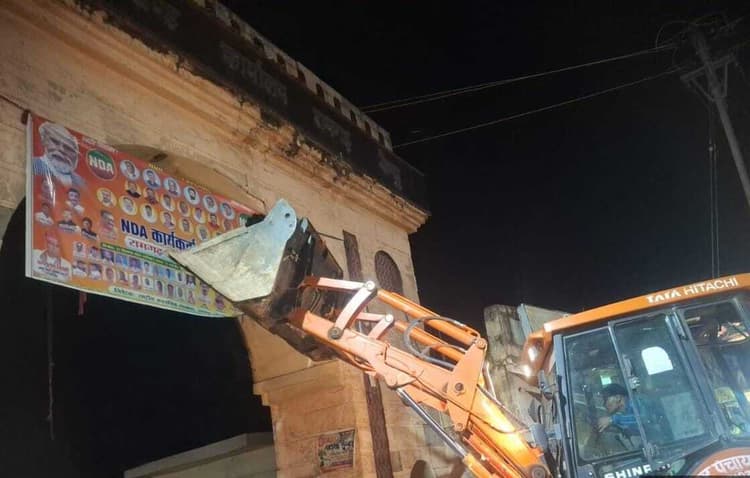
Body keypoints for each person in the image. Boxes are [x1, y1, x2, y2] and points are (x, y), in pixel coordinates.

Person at [32, 122, 84, 188]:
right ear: (44, 141)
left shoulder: (80, 181)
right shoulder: (33, 165)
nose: (61, 149)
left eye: (67, 147)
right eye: (55, 142)